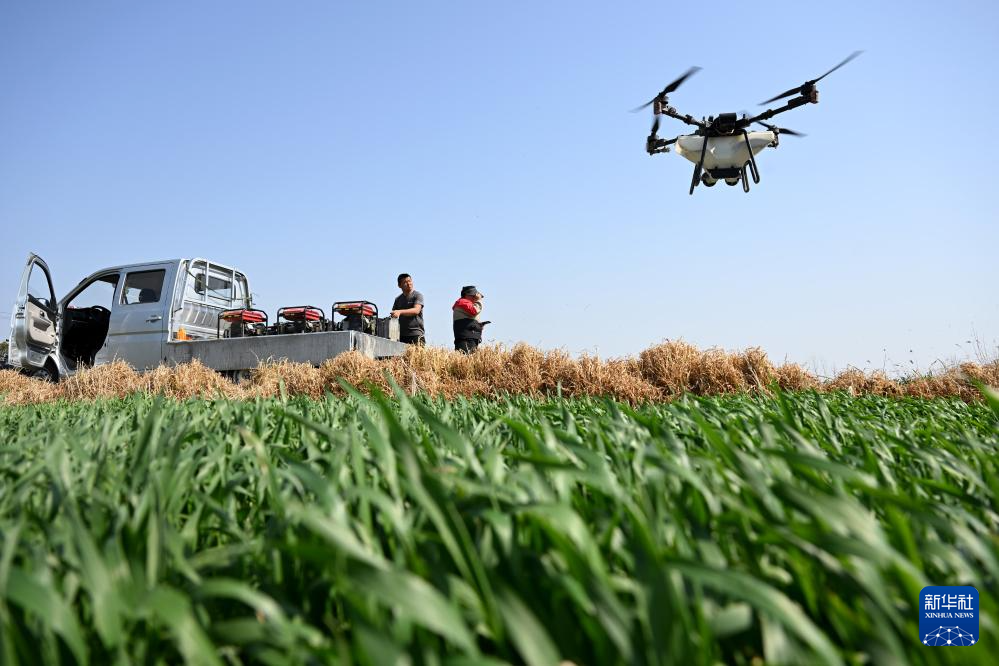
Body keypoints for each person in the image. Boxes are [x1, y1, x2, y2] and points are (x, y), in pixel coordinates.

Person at [452, 285, 489, 353]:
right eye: (474, 296)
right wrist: (479, 301)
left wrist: (478, 326)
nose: (475, 298)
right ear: (467, 295)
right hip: (466, 340)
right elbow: (474, 310)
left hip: (469, 339)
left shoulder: (465, 303)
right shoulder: (462, 302)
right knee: (465, 360)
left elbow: (469, 319)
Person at [390, 273, 425, 345]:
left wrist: (400, 312)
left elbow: (416, 310)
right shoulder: (398, 299)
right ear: (399, 285)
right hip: (401, 335)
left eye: (410, 281)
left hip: (416, 334)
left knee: (417, 356)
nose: (409, 284)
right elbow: (393, 315)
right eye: (405, 282)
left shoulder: (418, 295)